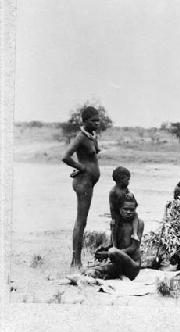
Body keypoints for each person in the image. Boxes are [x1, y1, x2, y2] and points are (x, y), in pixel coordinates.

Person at [62, 106, 101, 268]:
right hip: (83, 182)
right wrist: (81, 167)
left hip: (89, 181)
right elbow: (66, 157)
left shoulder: (92, 136)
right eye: (93, 121)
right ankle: (75, 260)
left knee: (83, 221)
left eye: (98, 120)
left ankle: (76, 259)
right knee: (81, 221)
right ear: (84, 121)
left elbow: (93, 154)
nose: (97, 123)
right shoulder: (80, 137)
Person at [92, 199, 145, 280]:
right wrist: (103, 250)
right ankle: (105, 272)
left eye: (131, 210)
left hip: (132, 265)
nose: (128, 212)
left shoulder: (139, 223)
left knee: (113, 252)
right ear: (120, 209)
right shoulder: (116, 223)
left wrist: (110, 253)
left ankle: (112, 272)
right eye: (125, 209)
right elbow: (114, 245)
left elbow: (134, 247)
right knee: (95, 270)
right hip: (118, 263)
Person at [109, 166, 140, 246]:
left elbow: (134, 204)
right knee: (114, 226)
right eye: (127, 179)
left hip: (126, 212)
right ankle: (113, 244)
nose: (129, 182)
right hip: (117, 214)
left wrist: (131, 196)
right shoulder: (113, 192)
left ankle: (135, 233)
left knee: (136, 215)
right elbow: (112, 207)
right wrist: (114, 218)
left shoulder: (126, 190)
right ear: (120, 179)